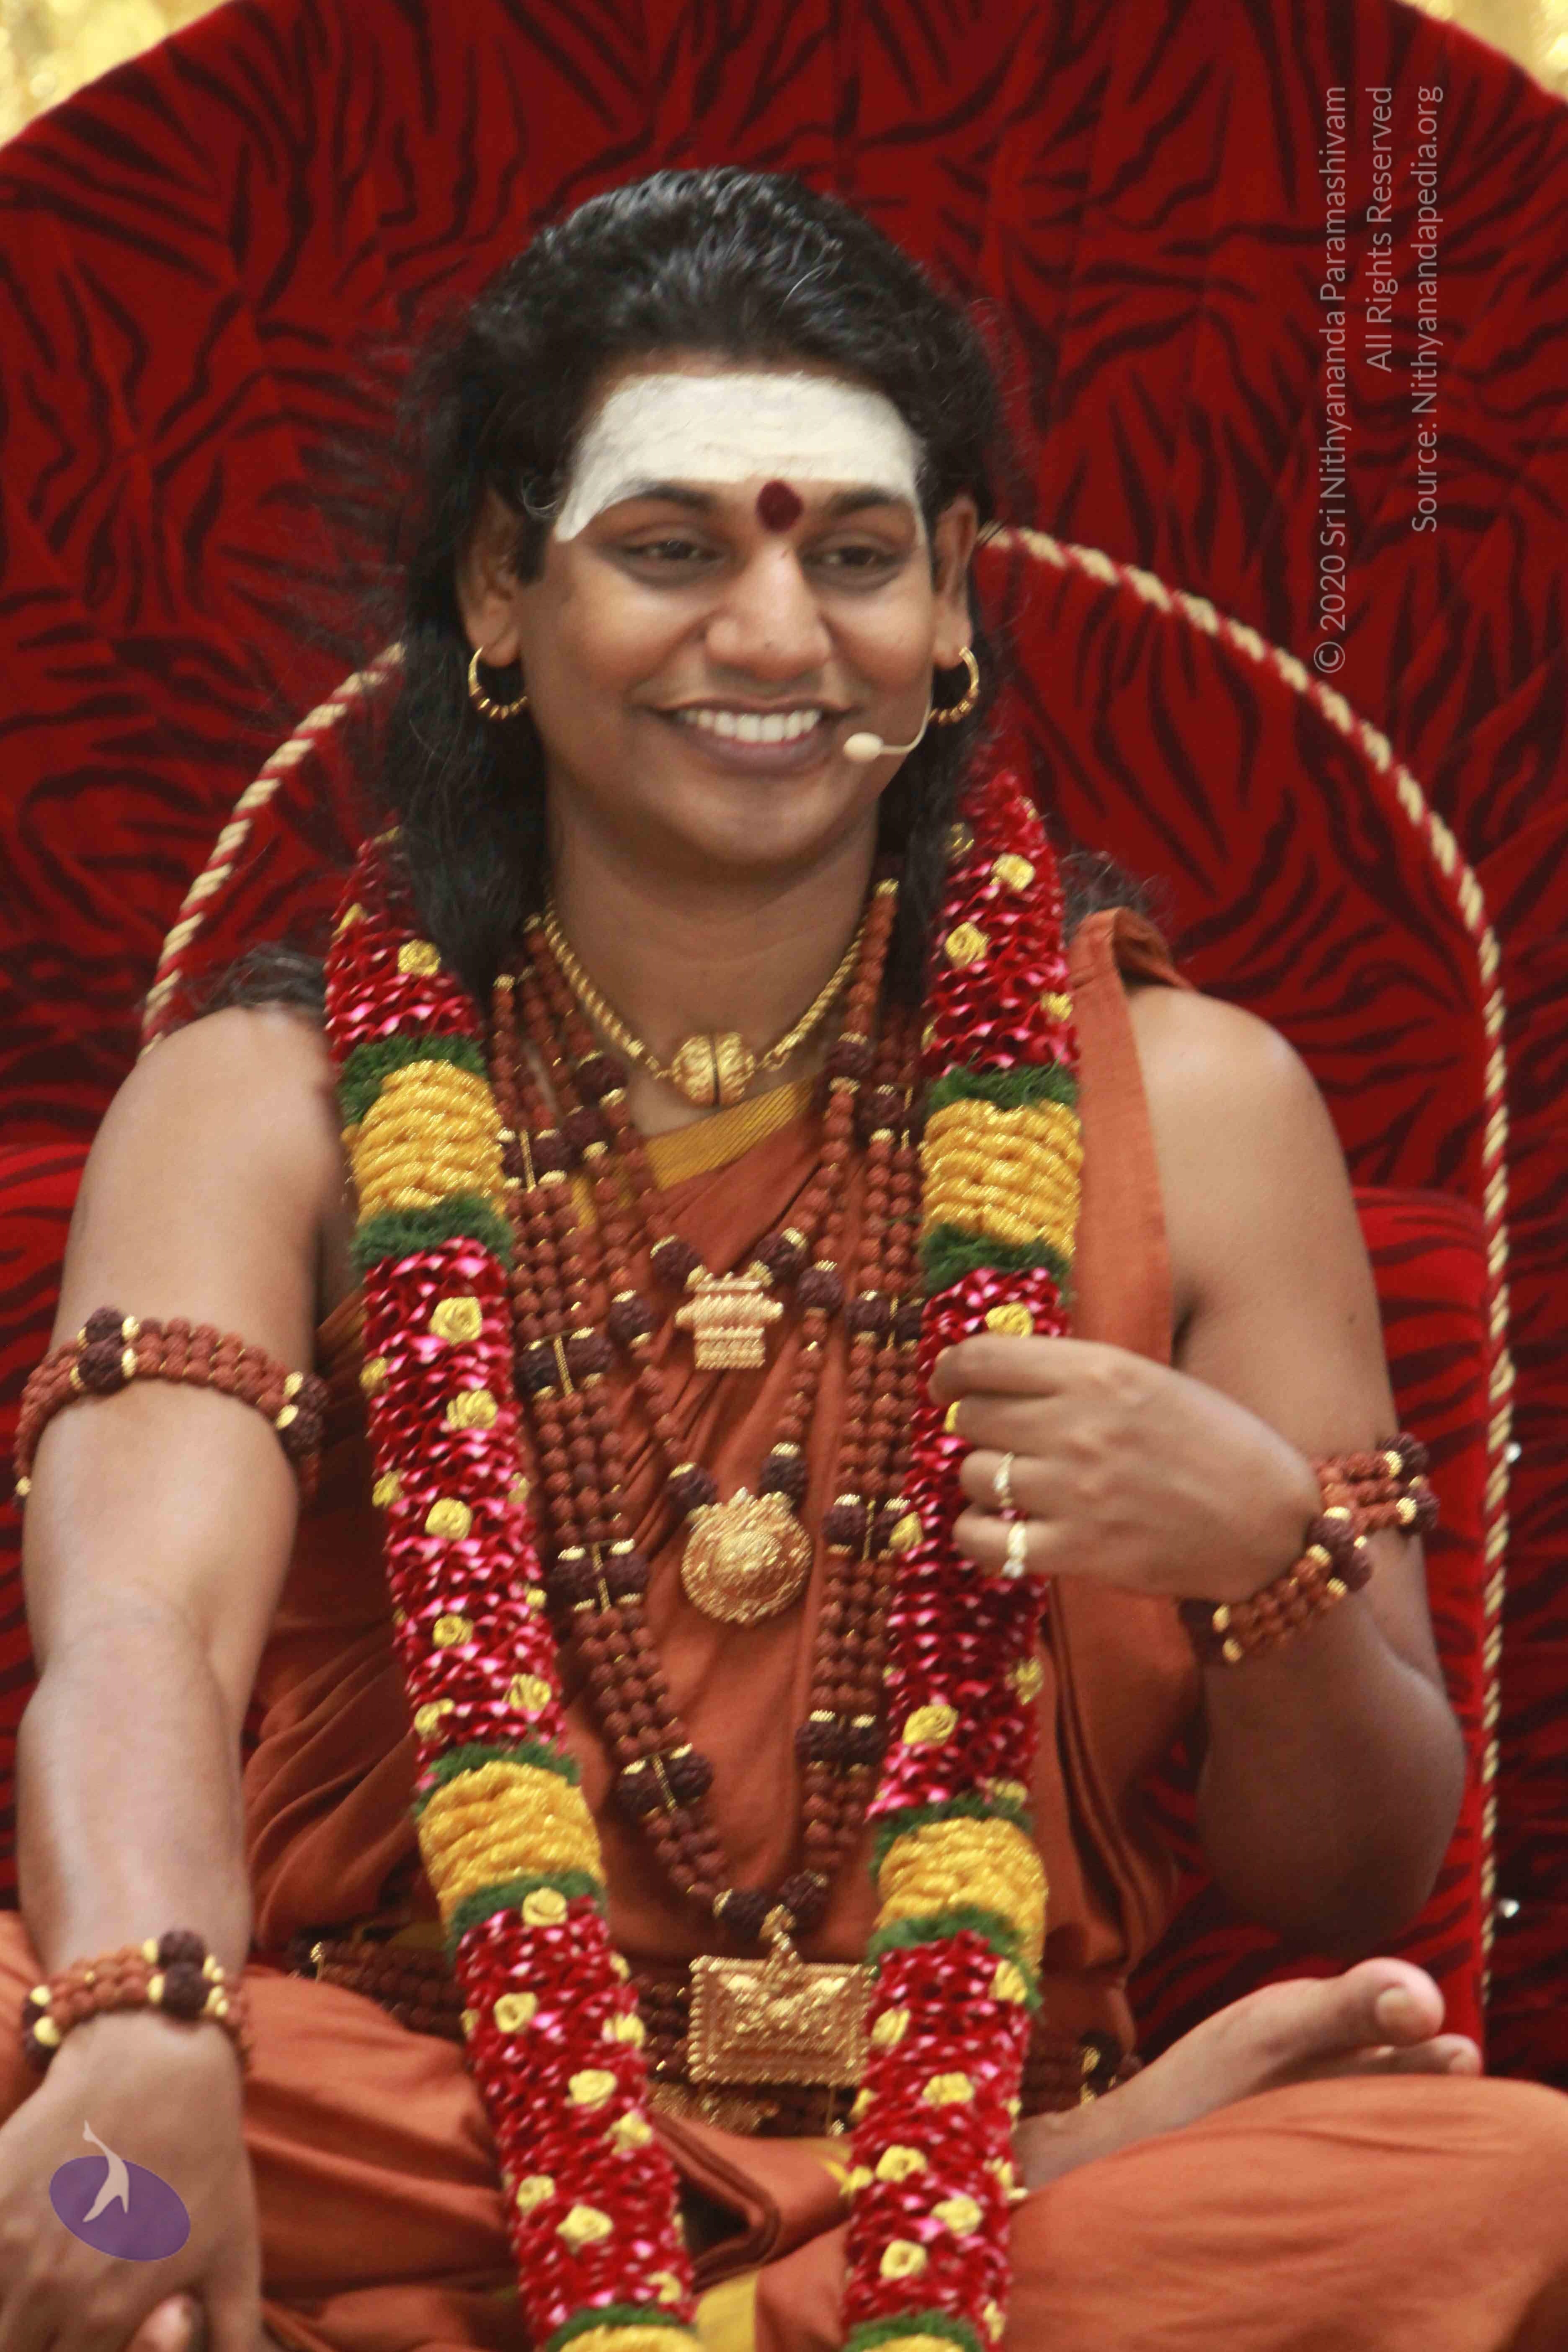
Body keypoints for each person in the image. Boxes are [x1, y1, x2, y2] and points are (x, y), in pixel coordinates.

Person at [3, 165, 1565, 2352]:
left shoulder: (1202, 1105)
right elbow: (141, 1630)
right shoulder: (267, 1102)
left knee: (1517, 2184)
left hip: (963, 2086)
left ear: (951, 604)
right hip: (437, 2099)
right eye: (671, 549)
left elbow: (1352, 1873)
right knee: (80, 2102)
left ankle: (888, 2222)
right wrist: (145, 2024)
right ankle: (926, 2230)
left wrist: (1265, 1555)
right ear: (499, 587)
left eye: (851, 555)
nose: (770, 637)